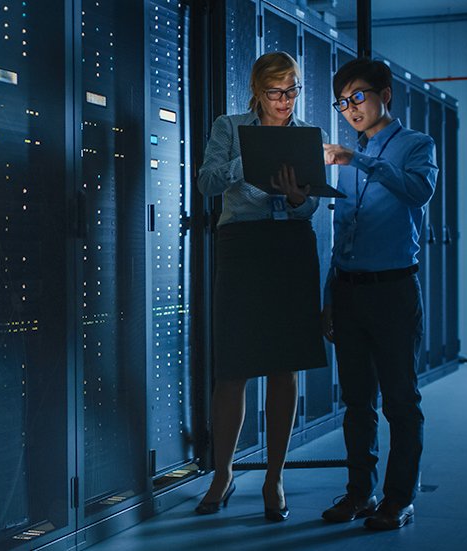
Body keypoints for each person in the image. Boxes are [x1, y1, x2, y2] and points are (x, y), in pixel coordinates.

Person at [195, 52, 327, 522]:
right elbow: (207, 182)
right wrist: (245, 161)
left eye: (292, 91)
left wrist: (297, 199)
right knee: (233, 366)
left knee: (284, 365)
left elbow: (311, 208)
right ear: (257, 91)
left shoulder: (311, 135)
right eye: (276, 93)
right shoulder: (229, 127)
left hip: (290, 246)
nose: (285, 101)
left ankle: (275, 476)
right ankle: (223, 472)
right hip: (242, 246)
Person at [320, 57, 437, 530]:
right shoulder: (345, 161)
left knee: (401, 403)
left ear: (385, 94)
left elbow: (418, 191)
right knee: (357, 402)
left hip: (393, 291)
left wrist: (359, 159)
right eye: (343, 101)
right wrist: (330, 295)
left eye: (359, 97)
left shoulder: (416, 144)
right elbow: (343, 232)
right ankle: (358, 493)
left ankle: (398, 499)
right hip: (349, 293)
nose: (350, 109)